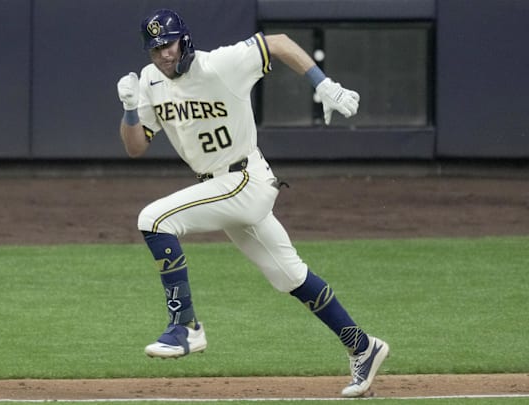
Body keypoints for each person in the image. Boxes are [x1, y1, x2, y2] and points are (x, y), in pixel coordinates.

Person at [117, 9, 389, 398]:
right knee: (290, 276)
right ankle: (363, 346)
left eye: (169, 43)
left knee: (154, 219)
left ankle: (186, 327)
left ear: (185, 39)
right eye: (155, 47)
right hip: (221, 186)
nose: (163, 54)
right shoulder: (149, 81)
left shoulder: (220, 66)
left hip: (244, 178)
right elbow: (135, 147)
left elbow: (276, 43)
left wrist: (323, 84)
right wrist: (129, 108)